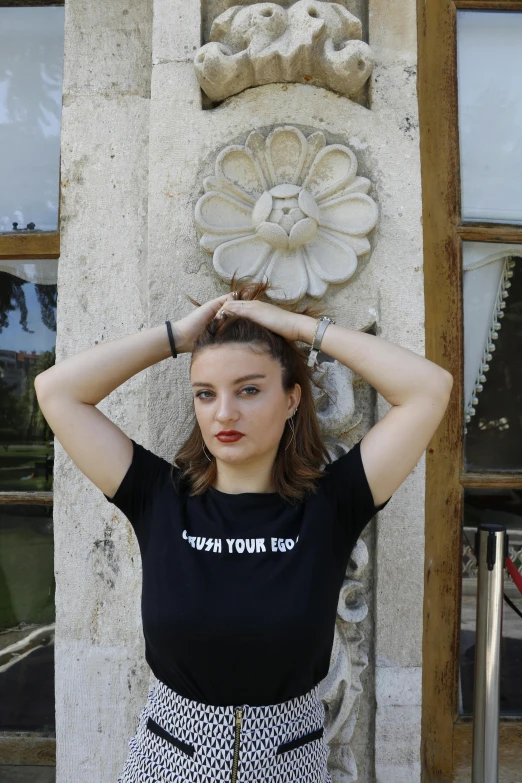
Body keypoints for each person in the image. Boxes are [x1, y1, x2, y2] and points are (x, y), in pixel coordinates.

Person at [34, 278, 453, 783]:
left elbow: (429, 389)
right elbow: (56, 391)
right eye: (206, 394)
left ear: (293, 399)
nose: (224, 413)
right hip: (167, 763)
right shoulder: (158, 497)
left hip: (290, 764)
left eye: (249, 389)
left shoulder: (332, 504)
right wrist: (177, 337)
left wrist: (297, 328)